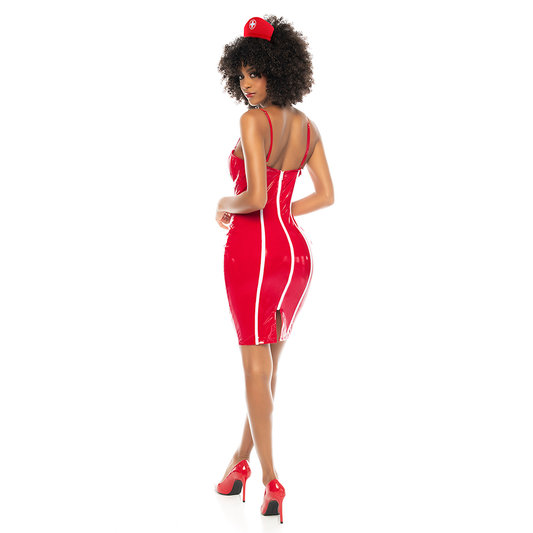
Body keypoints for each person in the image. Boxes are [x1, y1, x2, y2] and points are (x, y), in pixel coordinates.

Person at [215, 15, 334, 523]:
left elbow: (255, 197)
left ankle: (271, 480)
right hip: (296, 258)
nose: (247, 84)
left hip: (252, 255)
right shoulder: (308, 128)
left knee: (254, 366)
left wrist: (224, 201)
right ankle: (239, 463)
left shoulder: (253, 122)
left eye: (255, 73)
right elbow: (325, 195)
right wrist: (286, 216)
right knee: (267, 369)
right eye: (241, 74)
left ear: (277, 70)